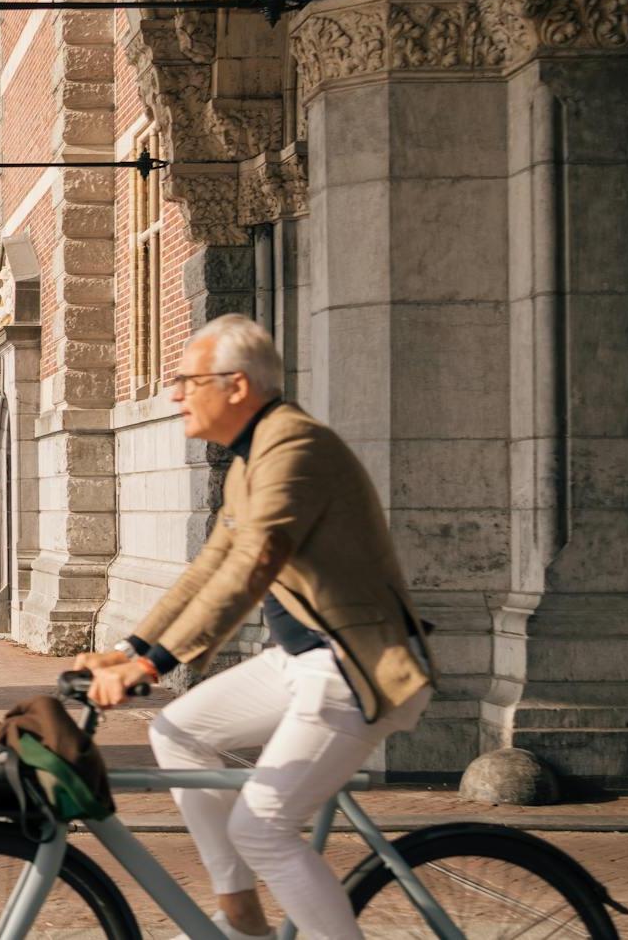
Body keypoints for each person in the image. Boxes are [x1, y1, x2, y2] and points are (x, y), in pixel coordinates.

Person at [69, 314, 435, 940]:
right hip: (298, 665)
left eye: (187, 380)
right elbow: (208, 566)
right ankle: (242, 917)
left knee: (261, 828)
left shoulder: (296, 447)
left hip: (352, 667)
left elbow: (253, 563)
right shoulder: (247, 461)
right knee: (179, 730)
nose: (175, 393)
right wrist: (126, 648)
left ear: (236, 387)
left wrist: (154, 664)